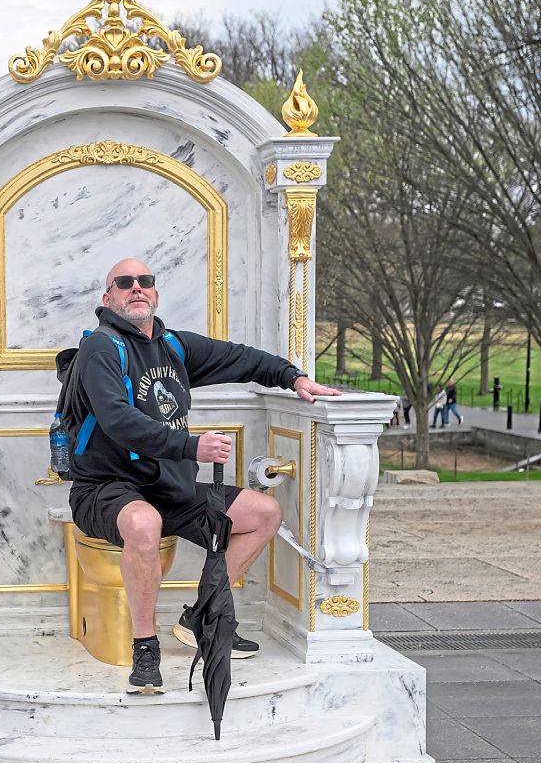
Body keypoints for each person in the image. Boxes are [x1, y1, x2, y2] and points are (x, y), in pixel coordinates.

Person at [64, 258, 339, 693]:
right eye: (124, 282)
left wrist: (294, 377)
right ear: (108, 298)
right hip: (105, 488)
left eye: (145, 282)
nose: (137, 288)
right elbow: (118, 420)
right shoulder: (100, 348)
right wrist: (192, 447)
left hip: (167, 488)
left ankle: (199, 617)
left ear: (155, 294)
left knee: (263, 513)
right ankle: (145, 646)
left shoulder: (174, 347)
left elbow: (240, 358)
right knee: (144, 522)